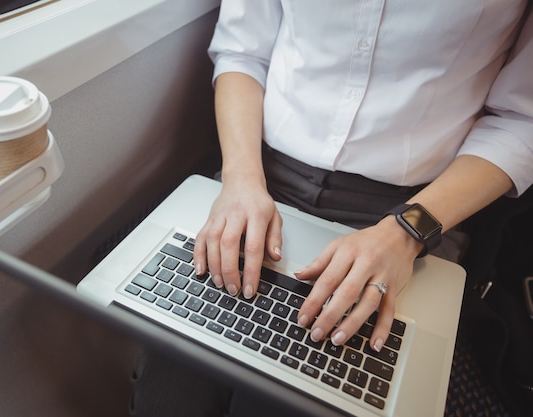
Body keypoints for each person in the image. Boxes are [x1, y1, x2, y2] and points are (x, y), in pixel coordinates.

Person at [129, 1, 533, 416]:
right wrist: (240, 179)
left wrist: (406, 233)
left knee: (288, 398)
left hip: (414, 208)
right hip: (260, 172)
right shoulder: (248, 175)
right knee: (169, 392)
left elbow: (522, 121)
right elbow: (243, 53)